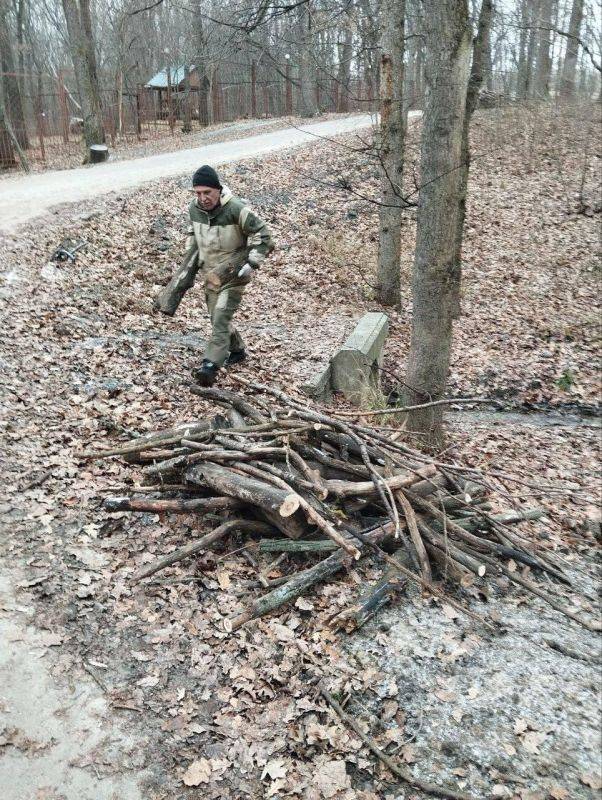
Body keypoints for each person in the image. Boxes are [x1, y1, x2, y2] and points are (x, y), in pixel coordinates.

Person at [159, 164, 275, 386]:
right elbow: (193, 234)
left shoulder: (236, 209)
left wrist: (252, 263)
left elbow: (265, 236)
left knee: (221, 316)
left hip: (234, 275)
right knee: (217, 319)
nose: (202, 198)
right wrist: (189, 262)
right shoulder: (194, 210)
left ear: (218, 189)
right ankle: (238, 349)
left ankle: (210, 366)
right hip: (210, 276)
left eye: (207, 193)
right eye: (198, 193)